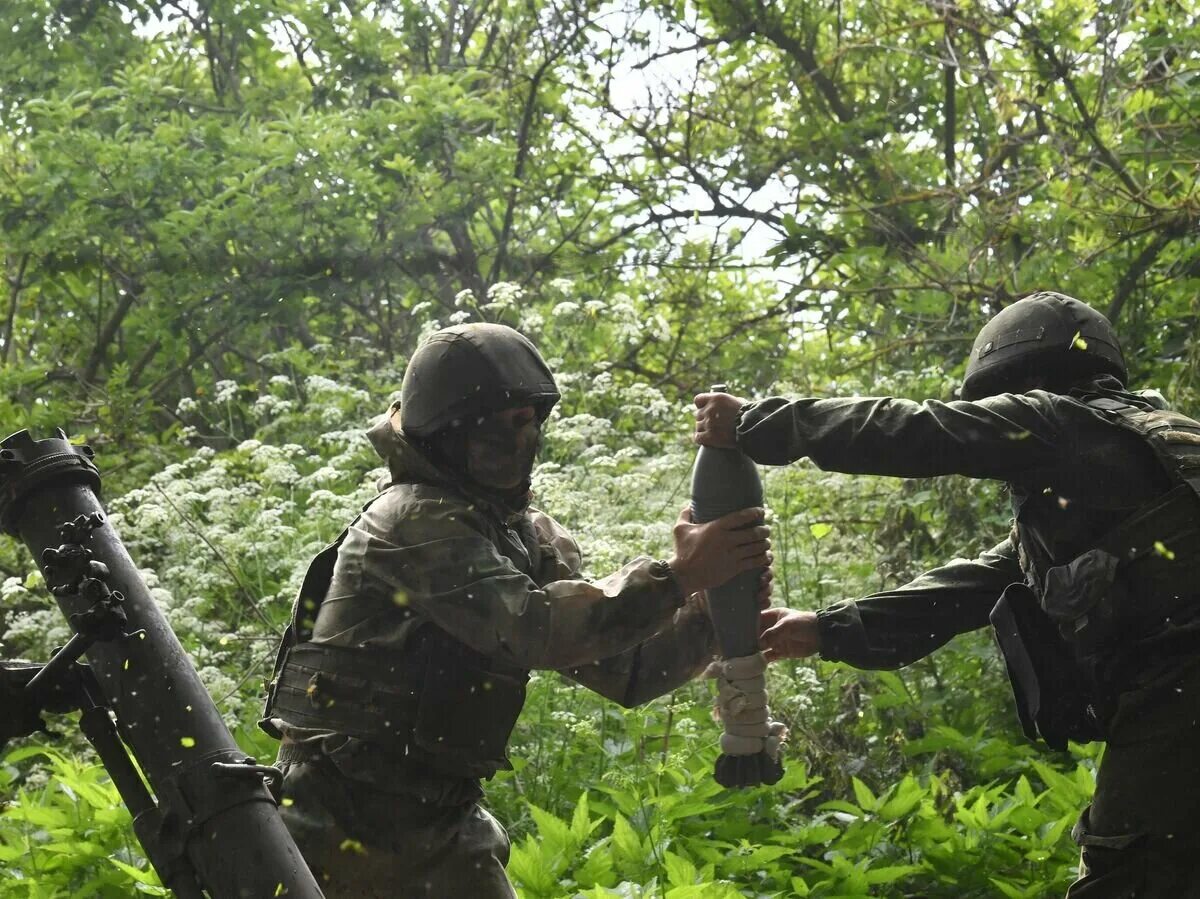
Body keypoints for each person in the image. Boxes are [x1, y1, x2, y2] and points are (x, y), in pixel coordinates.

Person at [693, 291, 1200, 897]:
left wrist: (762, 424)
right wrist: (826, 629)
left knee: (1130, 872)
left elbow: (922, 432)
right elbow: (977, 586)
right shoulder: (1123, 473)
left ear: (1024, 385)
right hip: (1171, 703)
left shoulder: (1066, 424)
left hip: (1178, 700)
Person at [261, 322, 772, 898]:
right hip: (338, 818)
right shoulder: (408, 521)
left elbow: (625, 671)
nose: (515, 440)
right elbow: (531, 628)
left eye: (523, 421)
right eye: (492, 428)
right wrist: (679, 577)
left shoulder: (515, 534)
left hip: (442, 822)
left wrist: (708, 613)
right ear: (446, 437)